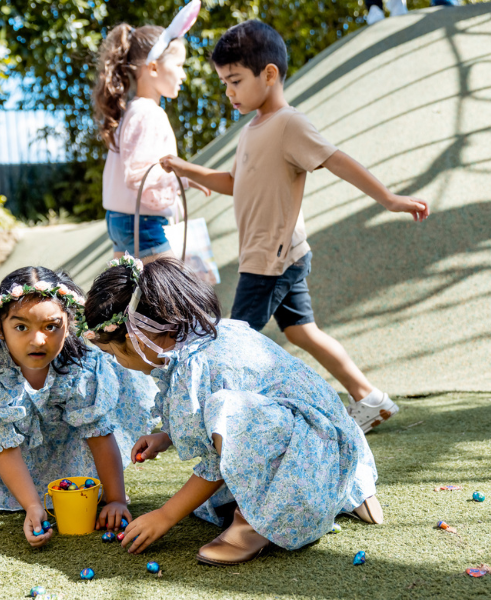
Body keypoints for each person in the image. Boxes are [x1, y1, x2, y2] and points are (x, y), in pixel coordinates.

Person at [158, 21, 430, 434]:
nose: (228, 92)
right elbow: (233, 183)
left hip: (272, 257)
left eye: (234, 81)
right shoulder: (251, 129)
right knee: (302, 331)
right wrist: (184, 168)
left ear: (268, 74)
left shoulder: (289, 124)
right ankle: (369, 397)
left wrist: (389, 199)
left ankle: (221, 422)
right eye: (224, 82)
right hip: (276, 253)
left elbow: (336, 159)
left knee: (233, 341)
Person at [83, 257, 383, 565]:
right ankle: (343, 490)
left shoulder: (200, 366)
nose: (117, 361)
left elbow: (223, 447)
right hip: (328, 443)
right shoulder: (204, 336)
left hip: (315, 452)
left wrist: (165, 515)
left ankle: (253, 526)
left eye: (114, 351)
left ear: (140, 337)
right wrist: (165, 435)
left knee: (228, 412)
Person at [0, 266, 158, 547]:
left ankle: (25, 488)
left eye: (51, 327)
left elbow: (99, 435)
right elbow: (4, 447)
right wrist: (34, 507)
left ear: (69, 323)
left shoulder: (80, 368)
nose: (37, 340)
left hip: (64, 447)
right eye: (21, 327)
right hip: (13, 455)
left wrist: (116, 498)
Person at [91, 0, 210, 264]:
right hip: (143, 222)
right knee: (170, 297)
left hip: (120, 219)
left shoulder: (131, 110)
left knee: (128, 294)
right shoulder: (148, 113)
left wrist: (186, 179)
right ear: (153, 68)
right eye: (179, 66)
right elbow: (140, 176)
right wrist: (177, 186)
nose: (183, 75)